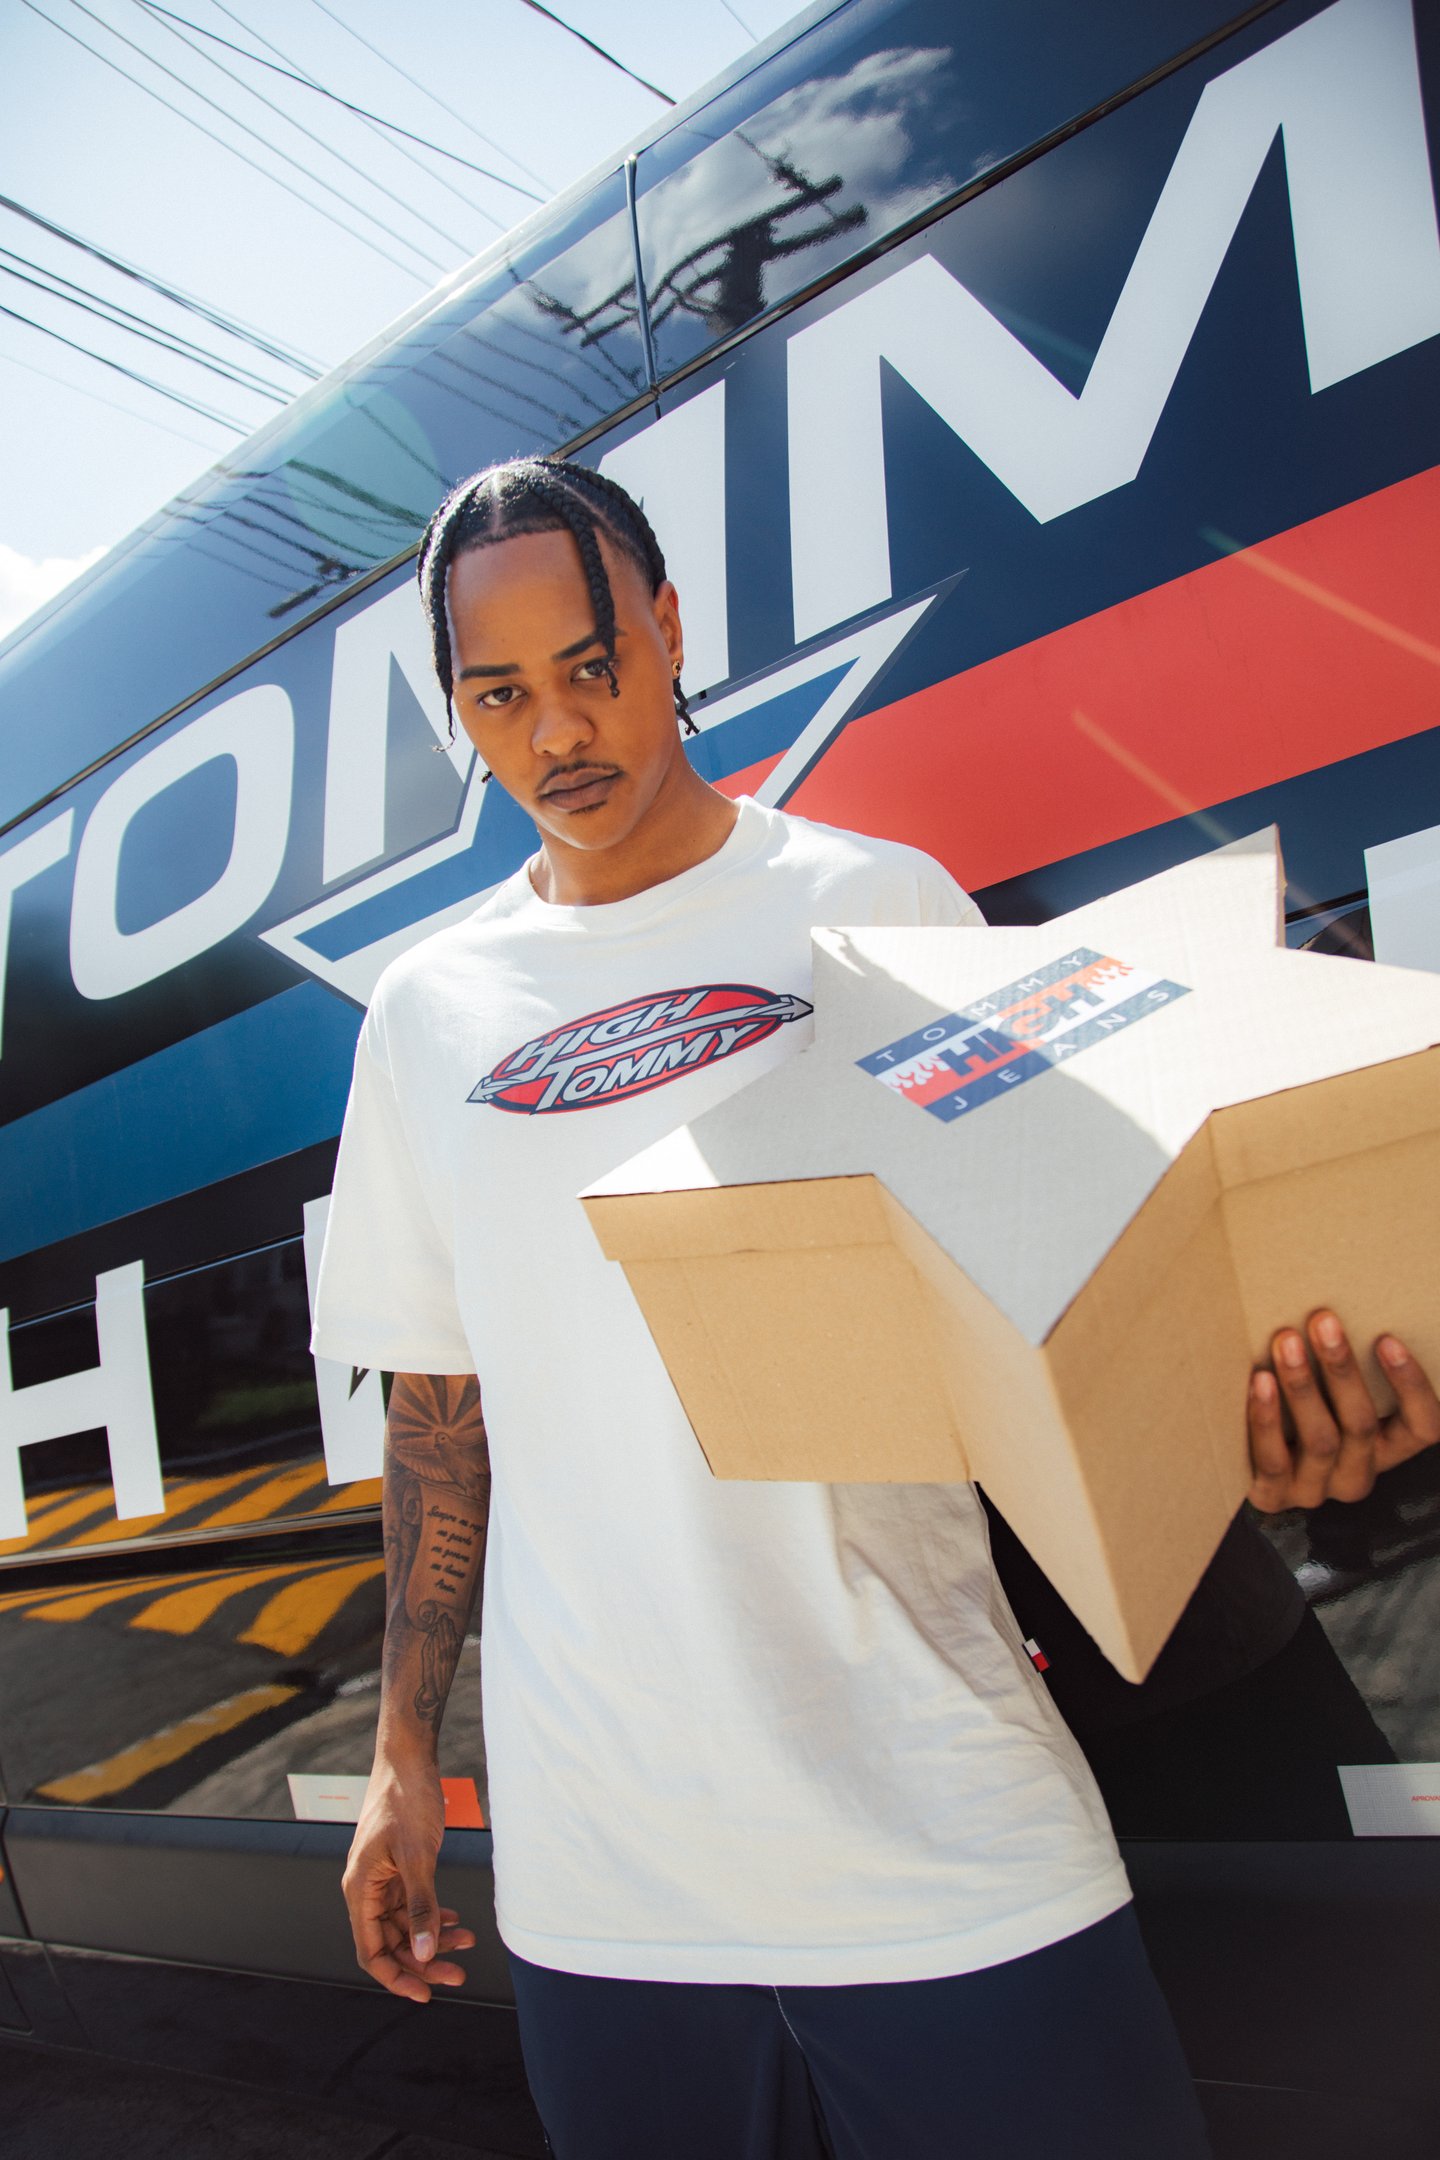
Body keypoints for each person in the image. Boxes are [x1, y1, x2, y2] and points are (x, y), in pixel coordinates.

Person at [314, 457, 1438, 2160]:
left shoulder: (875, 907)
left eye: (594, 667)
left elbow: (1076, 1302)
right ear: (460, 713)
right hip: (608, 1891)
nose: (559, 733)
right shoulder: (422, 1016)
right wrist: (403, 1755)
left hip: (948, 1836)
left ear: (673, 631)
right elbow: (438, 1419)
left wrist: (1255, 1428)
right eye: (503, 695)